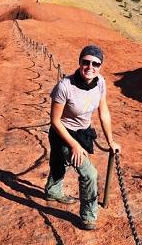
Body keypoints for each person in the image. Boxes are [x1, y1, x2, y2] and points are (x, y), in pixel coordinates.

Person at [44, 45, 121, 231]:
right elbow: (55, 121)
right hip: (63, 133)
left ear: (100, 66)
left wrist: (110, 141)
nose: (90, 67)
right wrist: (74, 145)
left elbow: (104, 112)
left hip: (83, 132)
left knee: (58, 161)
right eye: (86, 62)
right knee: (89, 173)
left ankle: (52, 191)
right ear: (79, 63)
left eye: (95, 63)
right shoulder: (65, 86)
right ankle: (88, 216)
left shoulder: (100, 82)